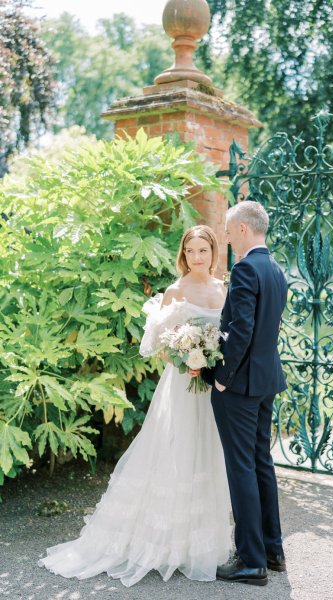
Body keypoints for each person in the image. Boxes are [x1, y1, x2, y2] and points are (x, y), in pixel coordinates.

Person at [38, 225, 232, 586]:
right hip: (180, 384)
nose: (197, 257)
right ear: (183, 255)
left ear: (213, 252)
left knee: (207, 453)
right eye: (190, 251)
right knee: (175, 452)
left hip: (210, 389)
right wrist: (184, 356)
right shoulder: (176, 290)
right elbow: (159, 342)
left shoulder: (224, 289)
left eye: (203, 250)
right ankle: (163, 541)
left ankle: (198, 543)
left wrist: (208, 360)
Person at [202, 201, 288, 586]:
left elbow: (240, 332)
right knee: (260, 464)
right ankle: (272, 550)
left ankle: (251, 562)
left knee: (241, 469)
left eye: (227, 228)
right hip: (266, 381)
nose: (225, 235)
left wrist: (220, 377)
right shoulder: (276, 270)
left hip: (238, 386)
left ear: (242, 228)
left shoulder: (245, 268)